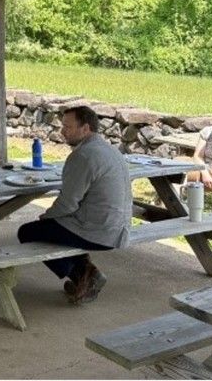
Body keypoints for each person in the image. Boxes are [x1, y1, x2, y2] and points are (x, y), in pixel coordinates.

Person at [17, 105, 131, 305]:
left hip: (99, 231)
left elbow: (67, 204)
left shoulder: (83, 155)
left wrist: (46, 217)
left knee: (27, 232)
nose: (62, 131)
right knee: (50, 230)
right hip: (118, 226)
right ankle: (86, 274)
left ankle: (82, 276)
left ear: (85, 129)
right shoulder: (109, 150)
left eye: (68, 127)